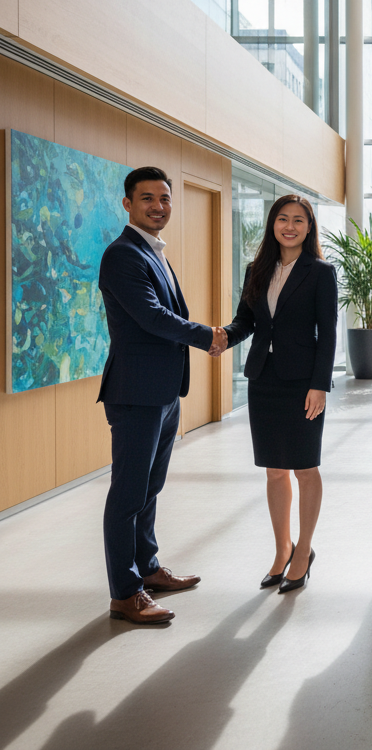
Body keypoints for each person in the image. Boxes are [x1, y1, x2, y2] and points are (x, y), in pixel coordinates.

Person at [97, 166, 227, 625]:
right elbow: (153, 318)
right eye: (148, 198)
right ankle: (125, 593)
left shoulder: (152, 251)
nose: (158, 206)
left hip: (163, 392)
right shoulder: (122, 255)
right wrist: (209, 336)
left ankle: (147, 568)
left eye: (165, 199)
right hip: (135, 392)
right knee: (128, 493)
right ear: (128, 203)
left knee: (149, 488)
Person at [220, 195, 337, 593]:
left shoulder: (321, 272)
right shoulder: (258, 268)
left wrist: (320, 385)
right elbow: (244, 321)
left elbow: (329, 333)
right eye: (283, 219)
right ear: (273, 224)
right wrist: (221, 337)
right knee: (274, 470)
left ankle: (304, 550)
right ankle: (281, 548)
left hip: (304, 383)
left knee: (305, 467)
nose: (290, 226)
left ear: (309, 227)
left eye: (299, 220)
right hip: (263, 379)